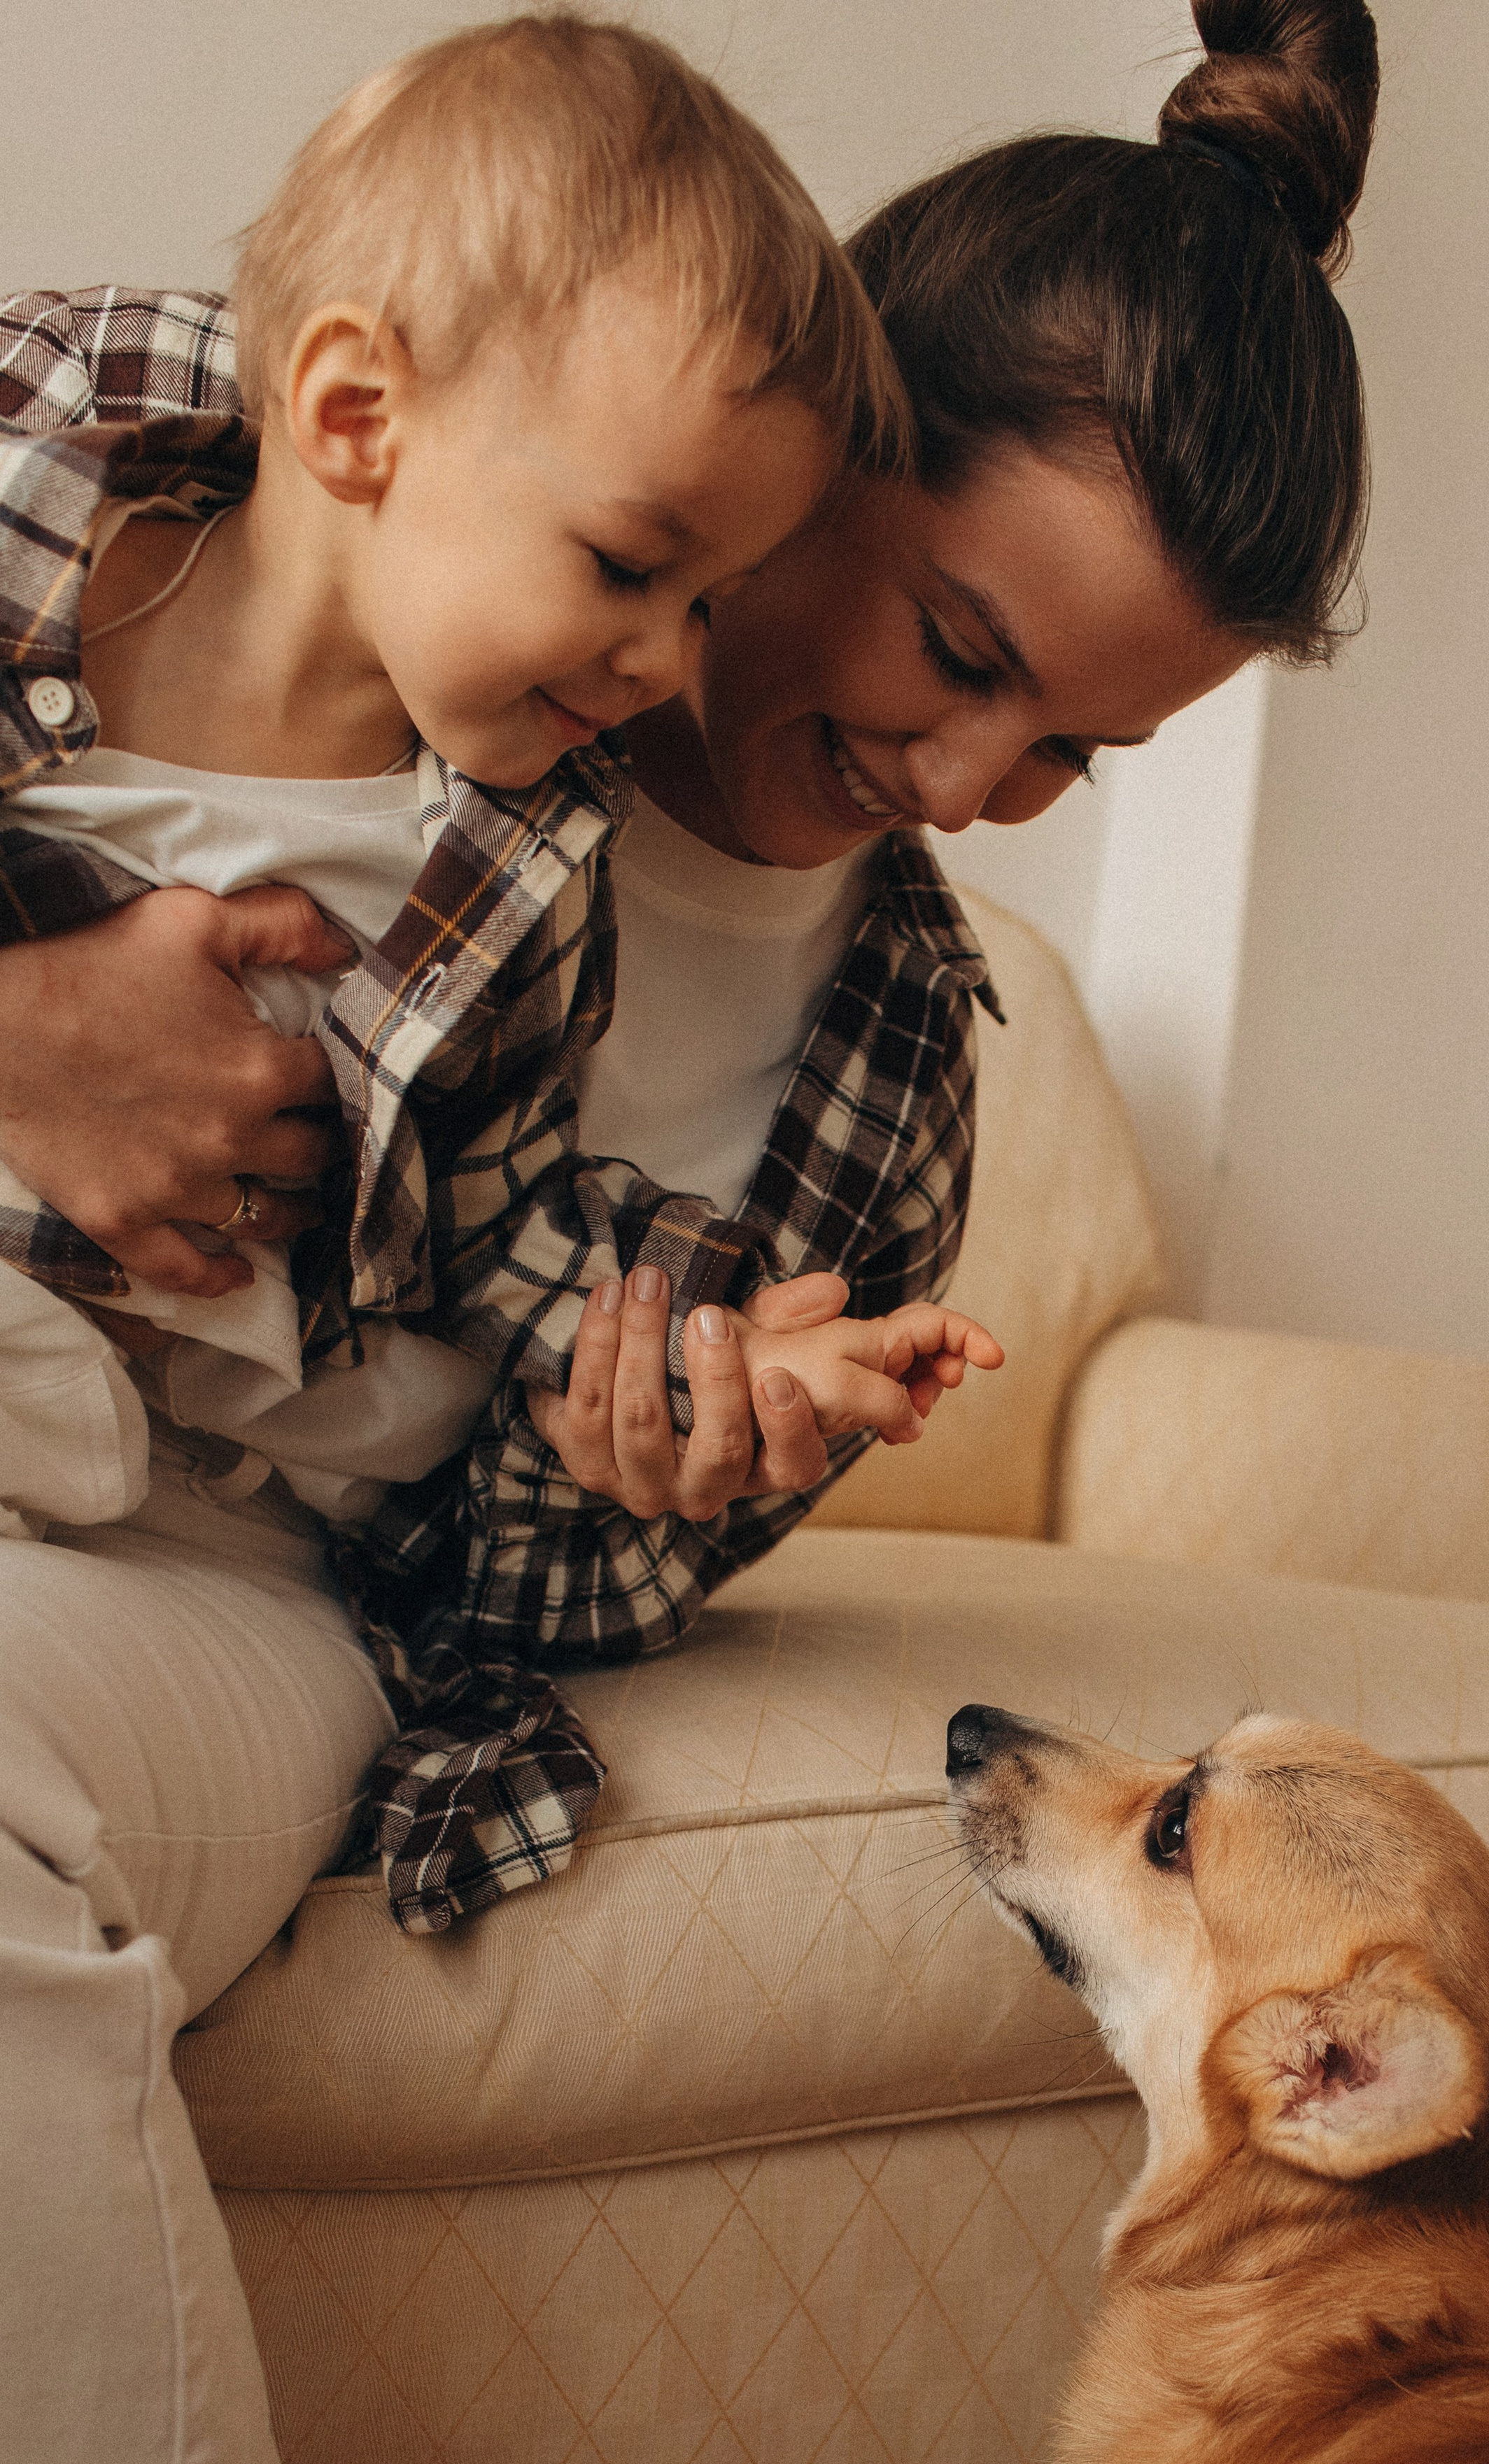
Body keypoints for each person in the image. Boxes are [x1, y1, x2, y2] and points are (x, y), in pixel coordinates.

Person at [0, 1, 1379, 2464]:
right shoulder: (256, 508)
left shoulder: (884, 1071)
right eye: (960, 637)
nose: (967, 783)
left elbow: (478, 1554)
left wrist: (639, 1494)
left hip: (236, 1577)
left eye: (1071, 755)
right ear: (817, 422)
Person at [0, 15, 1001, 1930]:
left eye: (707, 598)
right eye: (633, 564)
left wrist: (701, 1363)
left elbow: (502, 1219)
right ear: (358, 417)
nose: (668, 662)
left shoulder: (508, 867)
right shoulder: (48, 473)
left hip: (160, 1488)